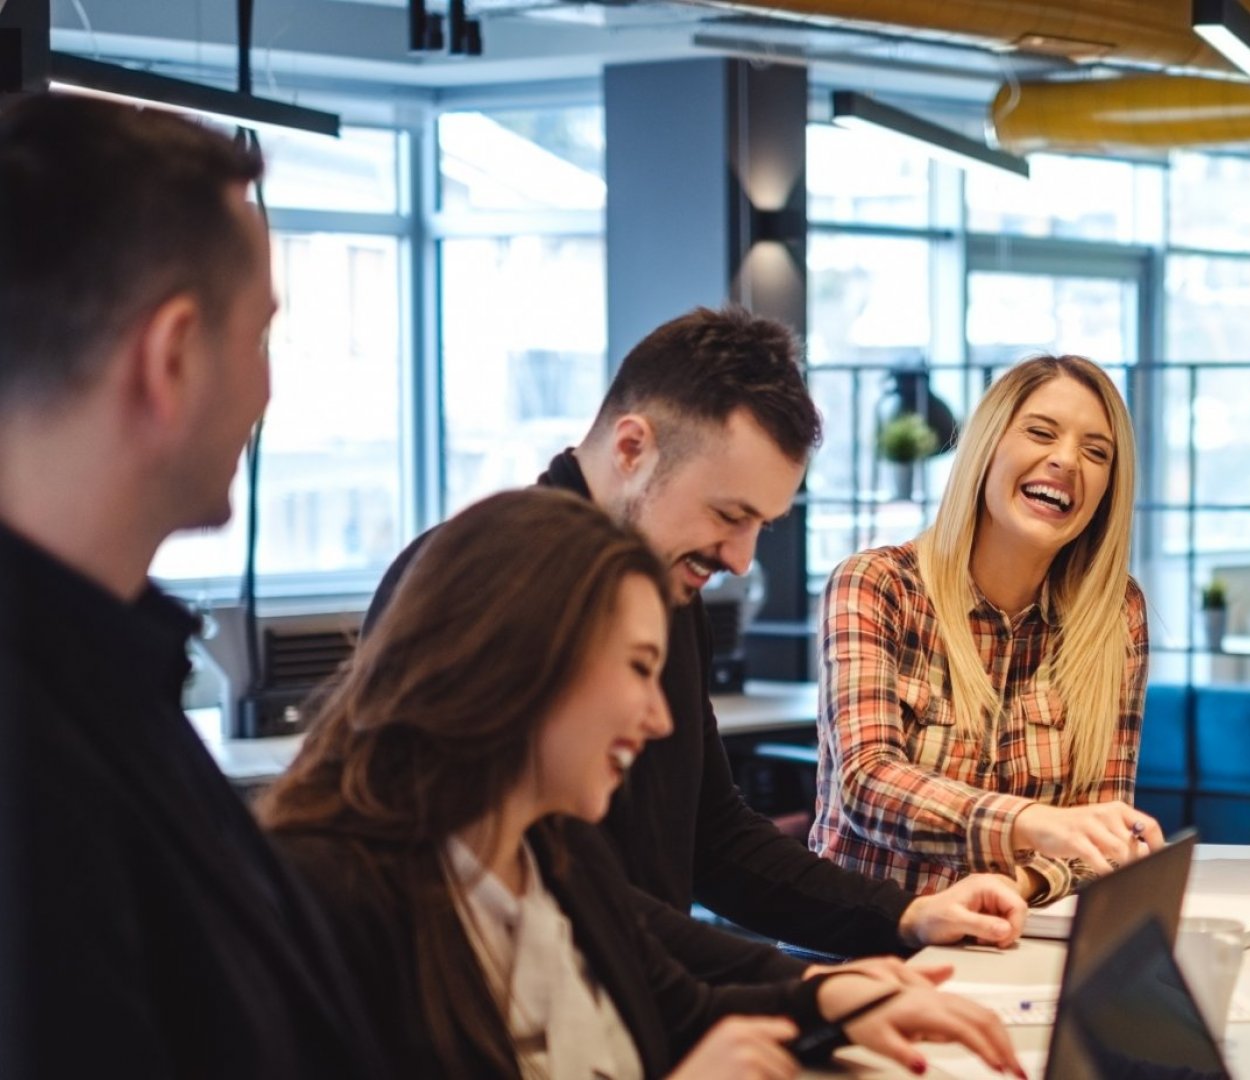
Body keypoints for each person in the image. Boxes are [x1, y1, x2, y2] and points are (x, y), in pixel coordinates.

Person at [261, 489, 1022, 1079]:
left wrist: (825, 999)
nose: (660, 720)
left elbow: (684, 1008)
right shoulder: (330, 901)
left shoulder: (553, 855)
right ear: (522, 663)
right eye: (636, 670)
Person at [365, 307, 1025, 981]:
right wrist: (803, 989)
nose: (739, 560)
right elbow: (555, 900)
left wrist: (905, 915)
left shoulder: (668, 588)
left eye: (759, 526)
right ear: (631, 449)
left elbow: (713, 839)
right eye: (728, 515)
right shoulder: (476, 586)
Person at [0, 96, 390, 1076]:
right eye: (259, 337)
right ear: (172, 355)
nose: (266, 391)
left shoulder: (108, 674)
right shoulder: (34, 746)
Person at [811, 355, 1162, 903]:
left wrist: (1015, 884)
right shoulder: (878, 585)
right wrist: (1032, 824)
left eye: (1096, 453)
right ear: (986, 448)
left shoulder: (1116, 614)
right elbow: (867, 785)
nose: (1067, 461)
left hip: (1015, 942)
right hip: (866, 950)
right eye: (1040, 433)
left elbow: (1102, 835)